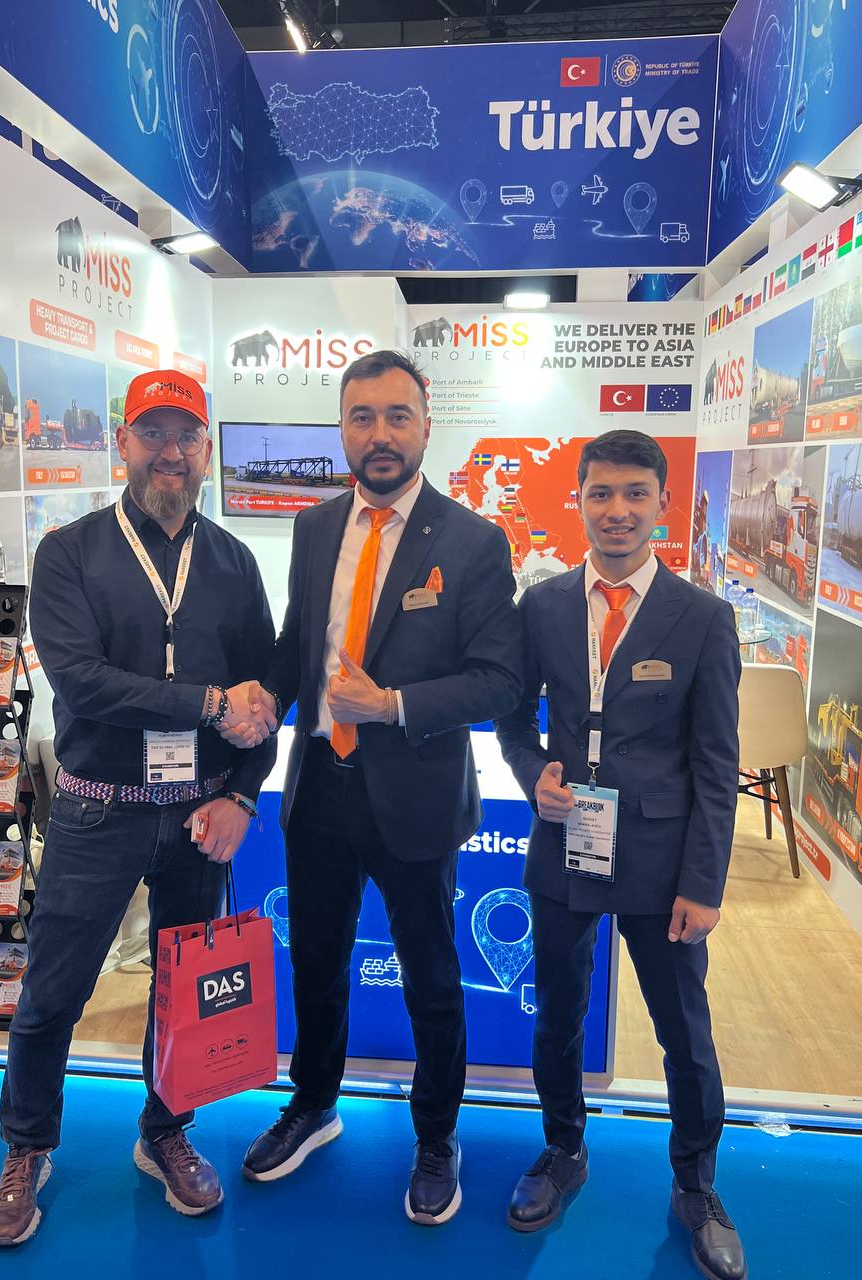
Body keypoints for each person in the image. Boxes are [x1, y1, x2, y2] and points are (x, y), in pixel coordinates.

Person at [0, 370, 278, 1248]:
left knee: (183, 995)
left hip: (199, 820)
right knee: (53, 994)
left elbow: (264, 697)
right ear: (123, 443)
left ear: (206, 450)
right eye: (153, 433)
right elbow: (83, 683)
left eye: (186, 436)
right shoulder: (69, 552)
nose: (170, 452)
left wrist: (242, 794)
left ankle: (165, 1131)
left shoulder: (234, 562)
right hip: (96, 813)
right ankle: (27, 1147)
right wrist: (210, 704)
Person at [235, 349, 522, 1225]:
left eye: (398, 416)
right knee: (316, 961)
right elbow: (299, 643)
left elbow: (498, 680)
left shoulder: (472, 542)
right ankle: (314, 1104)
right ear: (342, 430)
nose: (381, 434)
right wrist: (266, 695)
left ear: (427, 425)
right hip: (320, 786)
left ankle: (436, 1136)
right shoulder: (316, 527)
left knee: (430, 975)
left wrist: (391, 705)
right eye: (362, 417)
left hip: (415, 797)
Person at [495, 429, 746, 1280]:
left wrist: (704, 883)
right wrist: (534, 773)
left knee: (684, 1033)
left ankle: (697, 1187)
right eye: (600, 492)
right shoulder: (542, 606)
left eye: (636, 493)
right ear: (579, 500)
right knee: (557, 1016)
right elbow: (512, 721)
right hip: (566, 843)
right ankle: (563, 1150)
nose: (617, 510)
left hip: (663, 863)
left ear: (662, 504)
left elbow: (716, 764)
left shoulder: (703, 618)